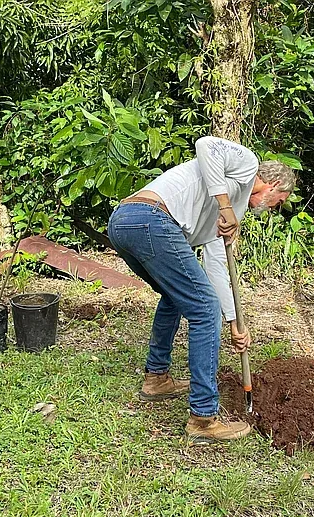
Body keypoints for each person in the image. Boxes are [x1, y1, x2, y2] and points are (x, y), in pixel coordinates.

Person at [108, 136, 295, 441]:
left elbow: (218, 267)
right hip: (151, 218)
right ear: (273, 185)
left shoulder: (234, 211)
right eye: (280, 200)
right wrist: (224, 207)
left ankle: (156, 378)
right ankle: (203, 418)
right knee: (205, 310)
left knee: (176, 297)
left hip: (124, 222)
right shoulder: (246, 165)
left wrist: (235, 323)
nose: (276, 207)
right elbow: (206, 144)